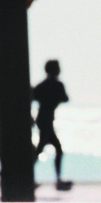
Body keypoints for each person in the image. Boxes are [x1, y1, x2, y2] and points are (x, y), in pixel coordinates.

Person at [33, 59, 71, 191]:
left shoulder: (44, 85)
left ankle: (57, 179)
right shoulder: (56, 85)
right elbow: (65, 98)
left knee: (47, 149)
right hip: (46, 120)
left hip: (44, 119)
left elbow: (33, 95)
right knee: (50, 149)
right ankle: (56, 180)